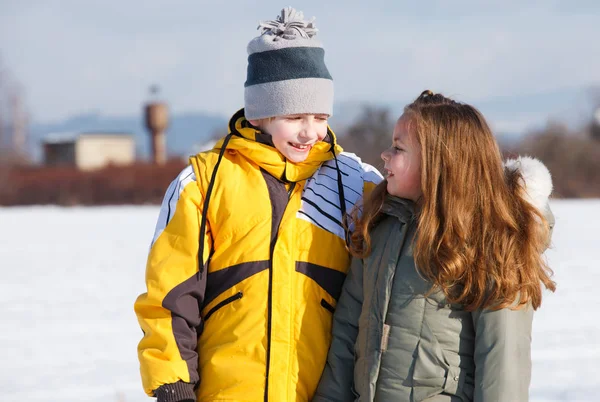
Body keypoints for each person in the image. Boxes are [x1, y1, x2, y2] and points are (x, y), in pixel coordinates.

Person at [134, 7, 382, 402]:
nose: (310, 132)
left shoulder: (355, 183)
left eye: (320, 116)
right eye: (295, 115)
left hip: (325, 391)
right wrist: (173, 383)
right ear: (262, 113)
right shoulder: (205, 183)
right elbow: (168, 297)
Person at [313, 90, 556, 402]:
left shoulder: (491, 243)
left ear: (439, 162)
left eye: (398, 148)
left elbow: (503, 359)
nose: (385, 155)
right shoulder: (380, 227)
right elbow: (346, 336)